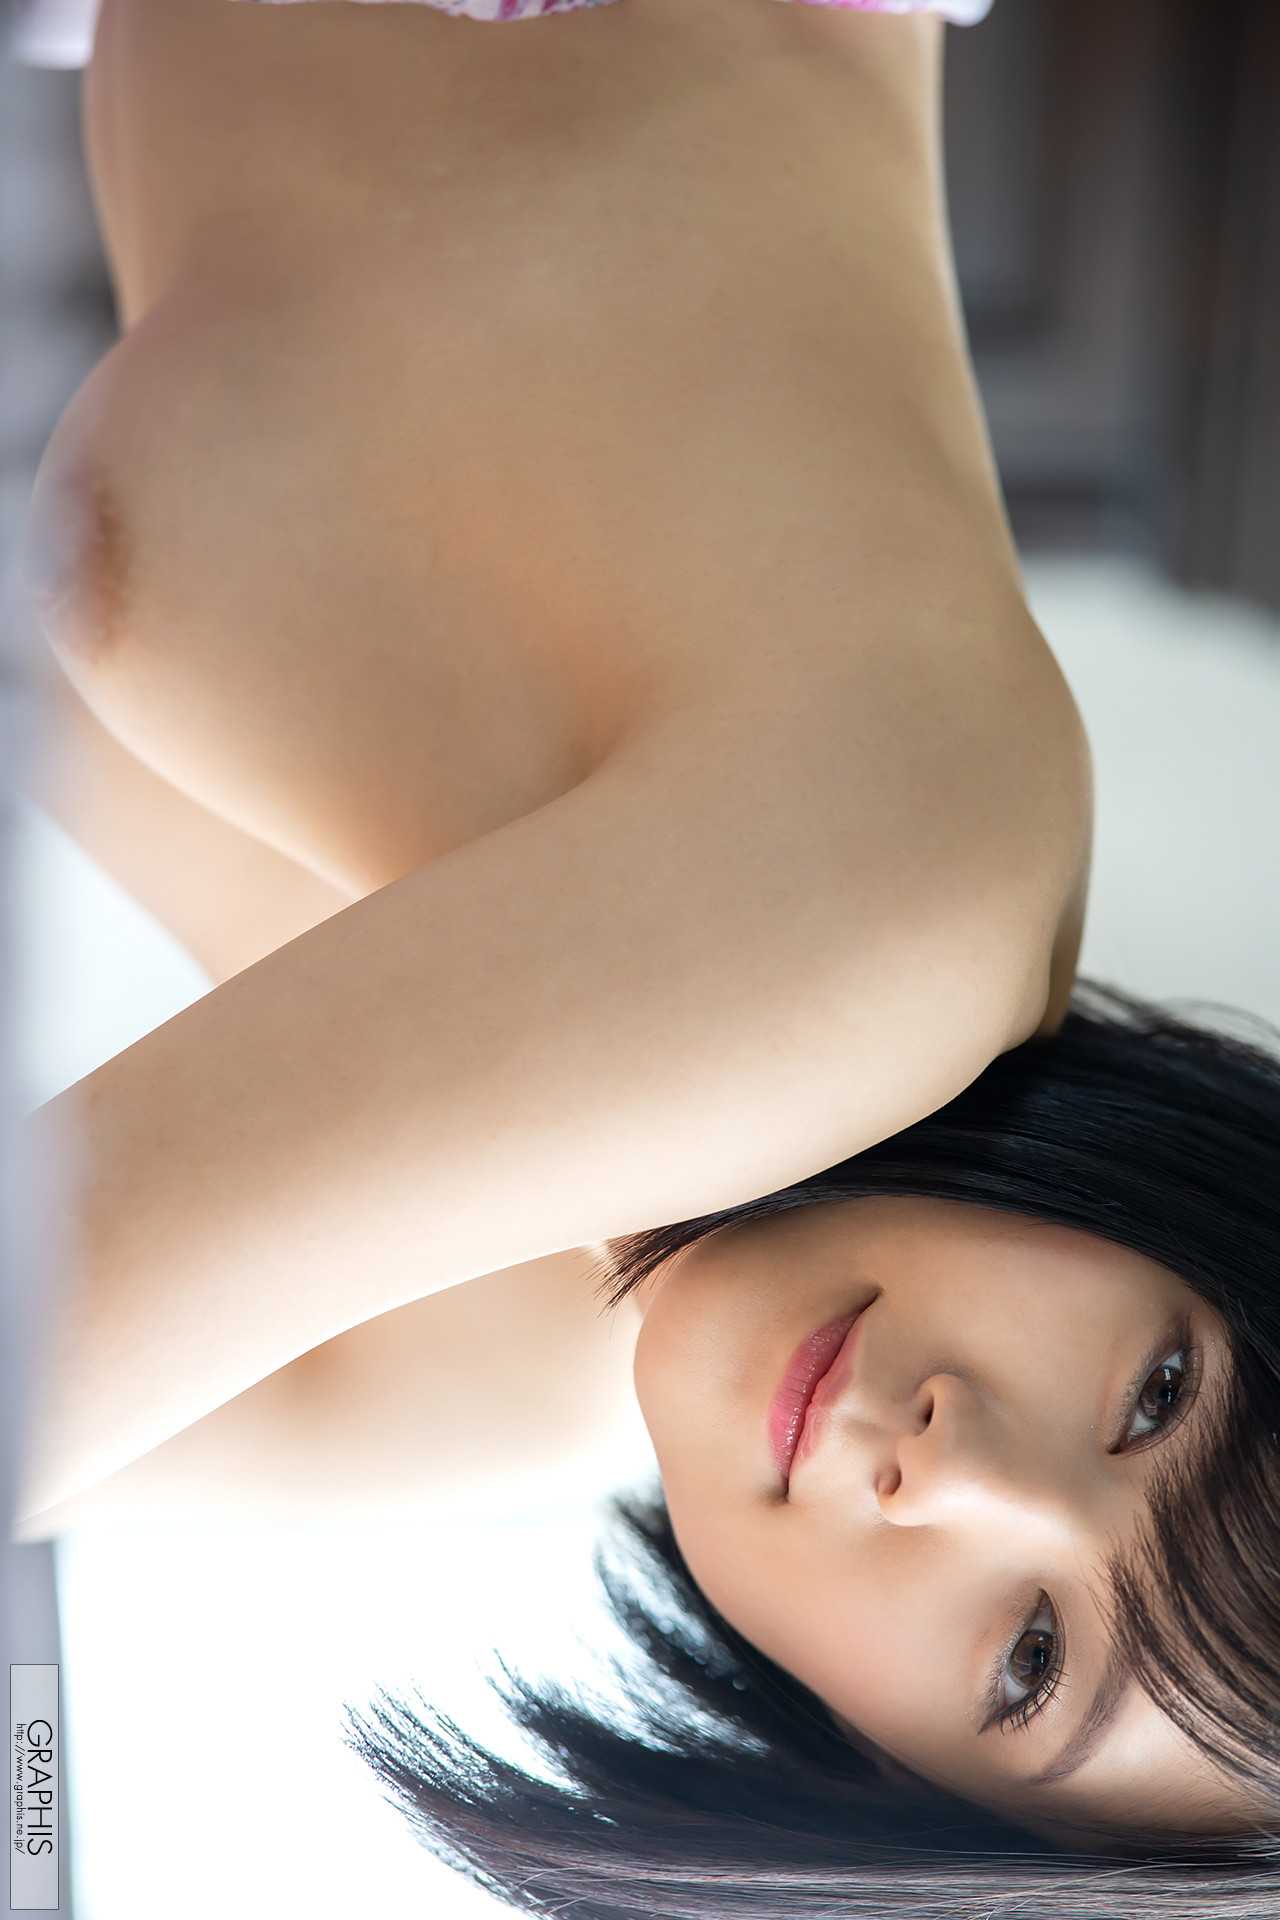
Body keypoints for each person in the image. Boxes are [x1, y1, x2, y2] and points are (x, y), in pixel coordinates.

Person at [13, 0, 1280, 1907]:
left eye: (1031, 1662)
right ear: (1196, 1207)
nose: (951, 1471)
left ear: (879, 1771)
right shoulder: (901, 924)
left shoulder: (546, 1346)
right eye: (1160, 1397)